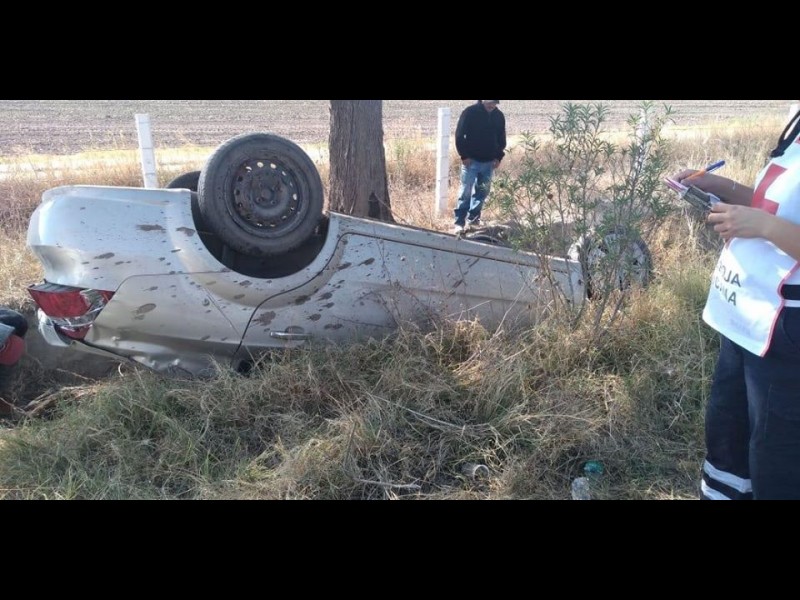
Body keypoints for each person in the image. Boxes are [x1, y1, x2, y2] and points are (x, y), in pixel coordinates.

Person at [671, 109, 800, 499]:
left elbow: (773, 222)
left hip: (784, 329)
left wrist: (763, 227)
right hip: (745, 313)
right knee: (729, 440)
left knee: (776, 456)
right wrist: (719, 186)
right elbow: (778, 208)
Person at [453, 100, 507, 234]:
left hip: (489, 162)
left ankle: (474, 220)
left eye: (494, 103)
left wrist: (498, 157)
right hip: (471, 161)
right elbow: (459, 135)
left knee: (482, 192)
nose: (492, 106)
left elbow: (501, 138)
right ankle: (459, 222)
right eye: (490, 103)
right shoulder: (469, 112)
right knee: (465, 192)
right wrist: (464, 156)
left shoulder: (499, 116)